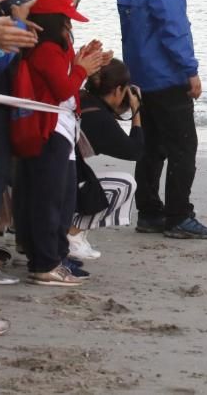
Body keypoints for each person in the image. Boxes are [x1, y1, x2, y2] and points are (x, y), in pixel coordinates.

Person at [116, 0, 207, 239]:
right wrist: (190, 70)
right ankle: (178, 215)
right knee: (183, 147)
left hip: (140, 75)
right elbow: (173, 26)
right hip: (166, 75)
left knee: (151, 146)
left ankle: (148, 211)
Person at [21, 0, 106, 286]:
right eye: (66, 21)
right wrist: (82, 70)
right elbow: (63, 90)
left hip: (61, 128)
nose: (70, 27)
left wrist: (81, 60)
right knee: (51, 199)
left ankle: (53, 259)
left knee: (63, 198)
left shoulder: (54, 49)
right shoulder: (46, 50)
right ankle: (45, 262)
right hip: (51, 129)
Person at [67, 59, 143, 261]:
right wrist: (136, 112)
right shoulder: (100, 118)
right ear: (119, 90)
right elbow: (135, 151)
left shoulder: (82, 99)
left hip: (42, 175)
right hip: (59, 184)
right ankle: (72, 235)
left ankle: (73, 235)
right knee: (124, 184)